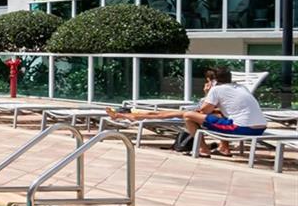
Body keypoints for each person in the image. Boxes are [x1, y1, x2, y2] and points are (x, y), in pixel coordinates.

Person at [107, 67, 267, 157]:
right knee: (178, 114)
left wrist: (207, 94)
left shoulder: (217, 90)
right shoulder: (240, 87)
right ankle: (126, 115)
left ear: (213, 81)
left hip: (241, 128)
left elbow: (204, 111)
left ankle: (203, 149)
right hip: (259, 127)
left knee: (186, 115)